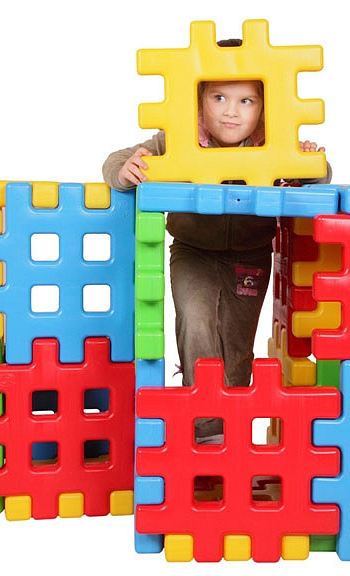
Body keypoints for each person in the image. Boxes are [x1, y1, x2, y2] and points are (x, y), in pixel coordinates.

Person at [103, 39, 332, 444]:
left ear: (263, 108)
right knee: (196, 323)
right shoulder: (179, 137)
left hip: (250, 256)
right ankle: (204, 427)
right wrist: (126, 171)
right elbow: (115, 161)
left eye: (246, 101)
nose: (231, 111)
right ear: (198, 101)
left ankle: (231, 428)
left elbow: (324, 172)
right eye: (219, 98)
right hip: (192, 252)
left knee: (236, 341)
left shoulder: (271, 141)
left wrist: (307, 162)